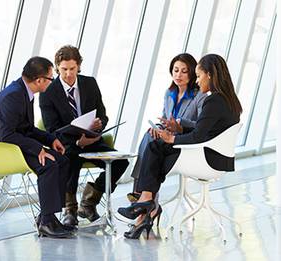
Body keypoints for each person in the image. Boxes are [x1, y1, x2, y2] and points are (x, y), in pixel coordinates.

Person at [117, 54, 243, 239]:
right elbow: (207, 128)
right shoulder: (228, 100)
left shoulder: (212, 101)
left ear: (209, 75)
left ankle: (146, 200)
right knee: (155, 145)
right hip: (216, 155)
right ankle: (146, 202)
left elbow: (199, 135)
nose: (198, 81)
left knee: (156, 147)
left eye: (198, 76)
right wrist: (179, 127)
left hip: (206, 157)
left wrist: (172, 139)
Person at [0, 57, 73, 238]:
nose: (51, 82)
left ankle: (49, 217)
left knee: (62, 160)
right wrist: (38, 149)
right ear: (39, 80)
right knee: (49, 164)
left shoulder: (24, 92)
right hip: (3, 151)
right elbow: (6, 135)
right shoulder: (14, 96)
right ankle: (46, 222)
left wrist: (50, 139)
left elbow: (26, 128)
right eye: (50, 78)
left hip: (15, 145)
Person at [39, 45, 129, 227]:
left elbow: (103, 114)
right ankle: (69, 210)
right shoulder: (48, 92)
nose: (68, 74)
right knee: (72, 156)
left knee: (121, 162)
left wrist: (98, 125)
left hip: (92, 140)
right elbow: (52, 129)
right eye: (64, 69)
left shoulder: (89, 83)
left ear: (79, 66)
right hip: (66, 143)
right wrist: (78, 141)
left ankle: (88, 203)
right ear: (57, 68)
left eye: (72, 69)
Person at [128, 53, 207, 204]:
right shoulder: (169, 93)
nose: (179, 75)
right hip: (167, 139)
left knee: (152, 142)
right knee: (150, 134)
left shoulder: (200, 96)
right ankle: (146, 195)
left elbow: (203, 126)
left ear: (192, 73)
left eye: (184, 71)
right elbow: (164, 119)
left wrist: (181, 123)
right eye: (175, 70)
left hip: (185, 142)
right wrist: (158, 127)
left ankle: (141, 192)